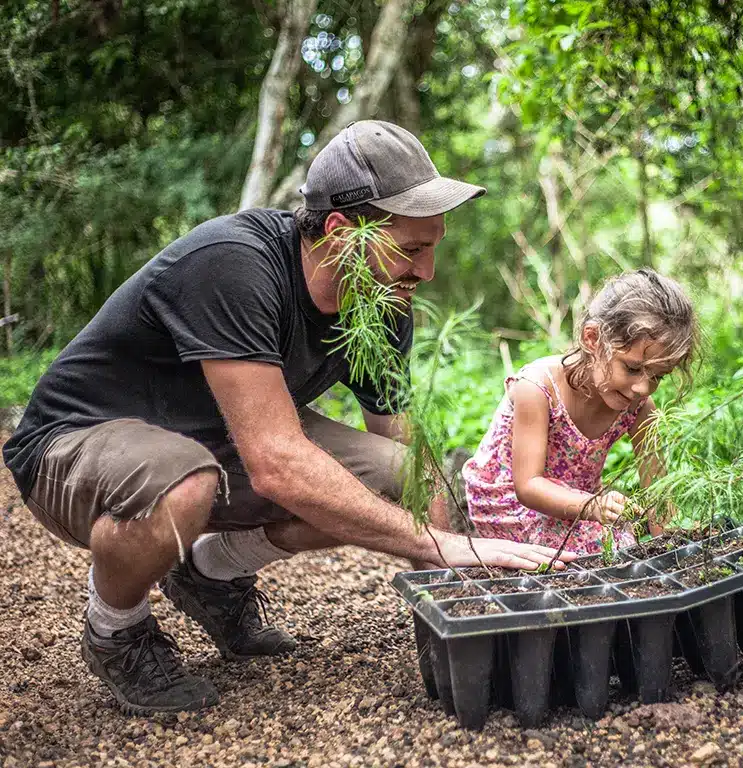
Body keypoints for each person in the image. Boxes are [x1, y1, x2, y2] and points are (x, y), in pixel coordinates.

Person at [2, 120, 573, 715]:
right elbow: (276, 463)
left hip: (218, 443)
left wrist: (461, 589)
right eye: (411, 249)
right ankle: (116, 627)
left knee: (392, 474)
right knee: (185, 481)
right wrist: (438, 542)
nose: (426, 272)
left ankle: (211, 574)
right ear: (339, 230)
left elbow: (404, 452)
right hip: (72, 446)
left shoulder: (380, 301)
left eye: (434, 246)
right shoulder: (232, 264)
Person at [462, 269, 699, 555]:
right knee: (603, 551)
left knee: (626, 546)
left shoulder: (639, 409)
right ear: (592, 339)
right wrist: (593, 506)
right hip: (510, 502)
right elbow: (528, 487)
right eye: (632, 368)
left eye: (658, 377)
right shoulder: (538, 388)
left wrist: (669, 548)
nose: (642, 388)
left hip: (578, 505)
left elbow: (658, 487)